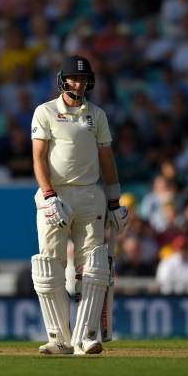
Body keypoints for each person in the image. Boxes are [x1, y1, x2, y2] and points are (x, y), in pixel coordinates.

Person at [30, 55, 128, 356]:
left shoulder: (96, 114)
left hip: (90, 194)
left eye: (85, 79)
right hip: (55, 196)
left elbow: (107, 159)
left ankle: (86, 337)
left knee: (94, 266)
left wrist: (114, 201)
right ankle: (59, 339)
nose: (80, 83)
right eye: (75, 79)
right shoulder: (45, 112)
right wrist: (48, 196)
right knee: (50, 266)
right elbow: (38, 157)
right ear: (63, 80)